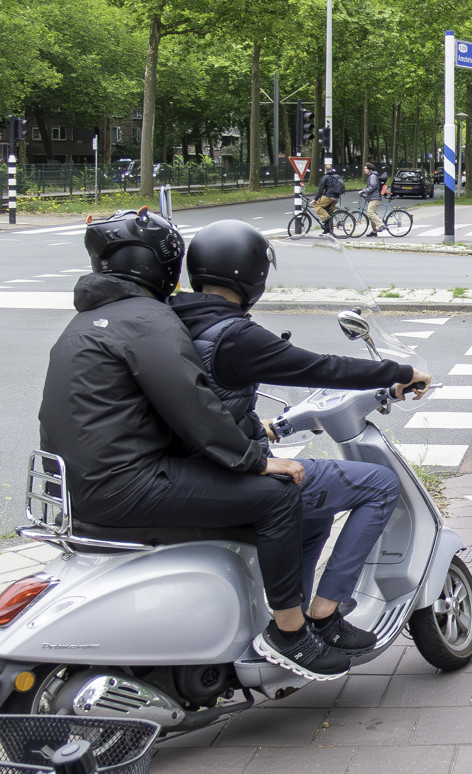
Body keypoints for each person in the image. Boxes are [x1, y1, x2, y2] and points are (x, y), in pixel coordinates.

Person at [38, 209, 350, 680]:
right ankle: (290, 632)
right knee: (278, 497)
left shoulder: (89, 320)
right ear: (155, 266)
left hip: (78, 486)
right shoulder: (147, 319)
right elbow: (192, 403)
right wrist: (255, 461)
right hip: (127, 486)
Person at [171, 220, 431, 653]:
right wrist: (400, 373)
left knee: (317, 514)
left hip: (197, 467)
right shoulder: (233, 335)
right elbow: (319, 367)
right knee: (378, 484)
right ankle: (325, 615)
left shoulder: (176, 321)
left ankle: (289, 613)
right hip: (231, 476)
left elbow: (205, 398)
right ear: (253, 274)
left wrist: (260, 428)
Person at [313, 164, 346, 231]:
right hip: (336, 197)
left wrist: (315, 199)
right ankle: (329, 230)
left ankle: (326, 218)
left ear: (325, 169)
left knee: (317, 205)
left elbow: (320, 190)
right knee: (329, 211)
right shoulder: (337, 176)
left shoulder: (325, 177)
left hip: (329, 196)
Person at [359, 163, 384, 237]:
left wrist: (363, 190)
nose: (364, 170)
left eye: (365, 168)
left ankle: (381, 225)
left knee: (370, 213)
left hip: (375, 198)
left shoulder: (372, 176)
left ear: (370, 170)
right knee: (371, 214)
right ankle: (374, 231)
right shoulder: (371, 176)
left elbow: (372, 186)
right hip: (373, 197)